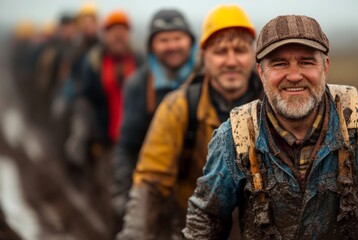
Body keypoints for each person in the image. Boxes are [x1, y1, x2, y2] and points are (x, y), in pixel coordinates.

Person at [182, 15, 358, 239]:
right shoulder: (235, 136)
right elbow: (204, 222)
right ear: (260, 72)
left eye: (306, 62)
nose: (294, 75)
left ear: (325, 67)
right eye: (279, 64)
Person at [117, 4, 263, 240]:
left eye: (240, 50)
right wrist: (134, 234)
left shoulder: (272, 106)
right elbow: (151, 182)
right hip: (190, 228)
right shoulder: (179, 107)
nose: (231, 61)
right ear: (203, 56)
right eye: (220, 52)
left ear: (254, 55)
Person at [111, 9, 196, 223]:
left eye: (178, 38)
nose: (172, 46)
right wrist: (123, 193)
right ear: (151, 46)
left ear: (190, 41)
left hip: (200, 192)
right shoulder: (138, 85)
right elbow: (128, 145)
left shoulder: (207, 80)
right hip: (156, 189)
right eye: (163, 40)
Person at [65, 10, 141, 233]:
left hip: (137, 145)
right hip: (106, 143)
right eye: (113, 31)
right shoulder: (94, 63)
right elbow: (84, 101)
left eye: (123, 31)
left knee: (134, 200)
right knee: (112, 198)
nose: (119, 36)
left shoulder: (139, 60)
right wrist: (81, 137)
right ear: (105, 34)